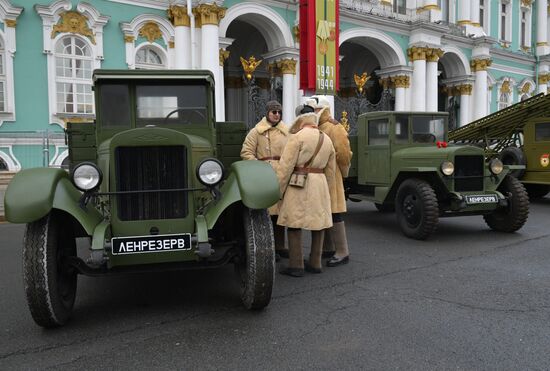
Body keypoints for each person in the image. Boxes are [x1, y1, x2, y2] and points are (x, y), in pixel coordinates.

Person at [276, 111, 336, 277]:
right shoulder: (327, 139)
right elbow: (331, 170)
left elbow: (285, 166)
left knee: (294, 223)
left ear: (301, 122)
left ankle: (296, 265)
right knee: (319, 224)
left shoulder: (297, 137)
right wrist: (327, 190)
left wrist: (278, 191)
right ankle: (315, 263)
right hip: (320, 182)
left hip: (299, 182)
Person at [307, 96, 353, 267]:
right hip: (319, 175)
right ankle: (328, 248)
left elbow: (344, 153)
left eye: (316, 109)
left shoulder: (334, 127)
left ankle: (342, 251)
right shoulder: (316, 127)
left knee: (334, 212)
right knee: (323, 211)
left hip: (332, 176)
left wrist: (343, 171)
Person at [240, 100, 289, 257]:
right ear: (267, 113)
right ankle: (268, 250)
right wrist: (259, 168)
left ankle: (281, 246)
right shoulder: (256, 132)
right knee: (266, 215)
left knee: (282, 215)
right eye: (273, 112)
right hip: (264, 177)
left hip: (282, 175)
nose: (276, 115)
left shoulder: (287, 132)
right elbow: (246, 153)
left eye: (279, 112)